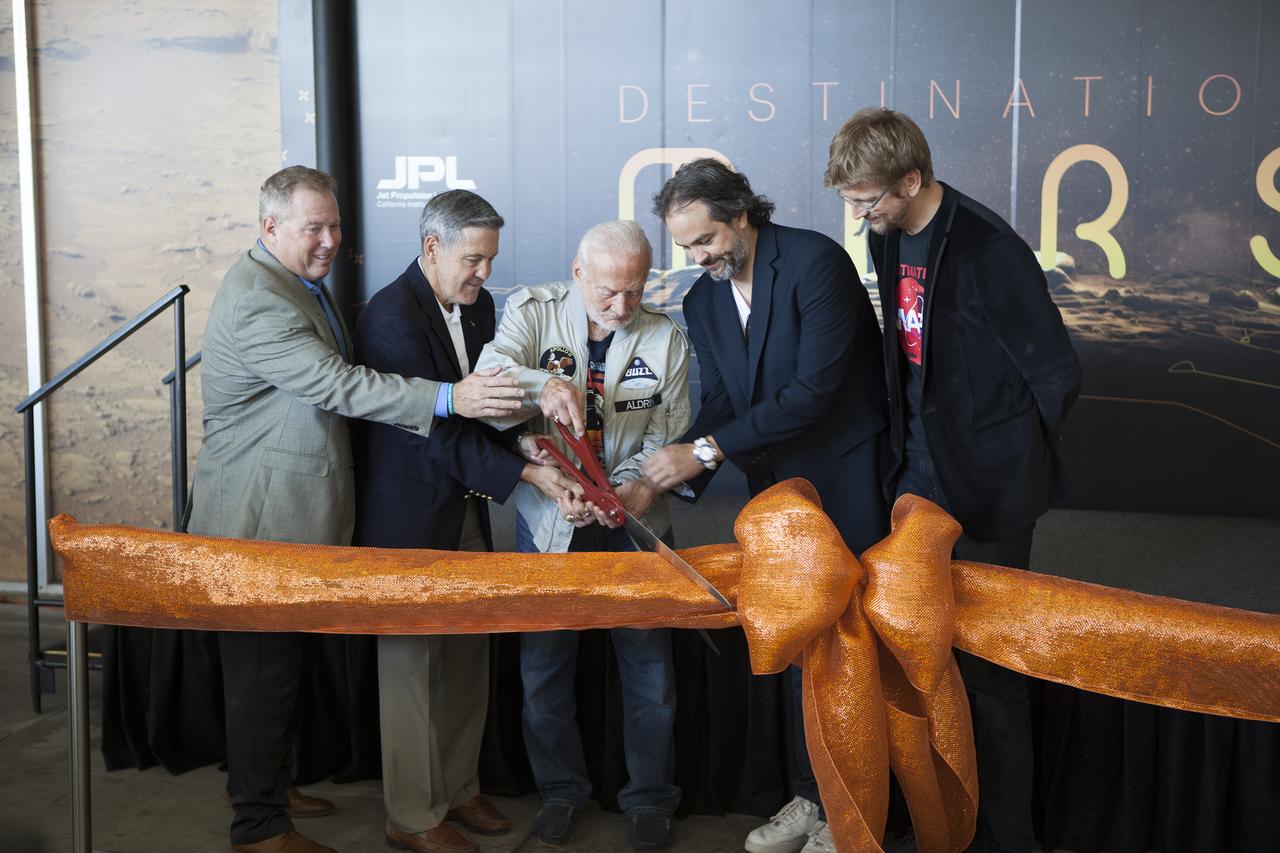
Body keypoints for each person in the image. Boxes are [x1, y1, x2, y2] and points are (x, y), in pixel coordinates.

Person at [187, 167, 525, 853]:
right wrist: (447, 399)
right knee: (261, 674)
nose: (330, 240)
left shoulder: (298, 286)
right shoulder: (260, 297)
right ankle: (257, 827)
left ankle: (268, 788)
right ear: (270, 226)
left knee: (282, 671)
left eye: (335, 225)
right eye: (314, 226)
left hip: (299, 517)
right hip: (257, 519)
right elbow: (333, 383)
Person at [824, 107, 1082, 853]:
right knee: (918, 656)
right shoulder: (888, 233)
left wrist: (1002, 454)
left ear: (913, 178)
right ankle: (937, 825)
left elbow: (1056, 375)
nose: (859, 215)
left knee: (993, 673)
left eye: (866, 199)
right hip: (914, 476)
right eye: (849, 201)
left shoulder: (988, 247)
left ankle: (1010, 837)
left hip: (992, 490)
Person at [644, 158, 890, 853]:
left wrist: (708, 450)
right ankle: (814, 797)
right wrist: (674, 468)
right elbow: (724, 403)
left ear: (742, 214)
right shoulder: (702, 300)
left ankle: (855, 817)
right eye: (687, 246)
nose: (698, 257)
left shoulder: (816, 263)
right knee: (801, 645)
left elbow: (812, 393)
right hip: (776, 496)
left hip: (847, 484)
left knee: (852, 647)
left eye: (706, 240)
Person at [350, 190, 578, 853]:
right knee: (413, 668)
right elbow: (433, 435)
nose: (484, 274)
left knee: (467, 655)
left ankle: (458, 787)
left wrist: (525, 444)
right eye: (473, 260)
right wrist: (531, 475)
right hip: (411, 514)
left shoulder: (474, 310)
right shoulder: (390, 318)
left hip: (466, 507)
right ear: (432, 249)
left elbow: (487, 407)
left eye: (489, 260)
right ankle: (413, 815)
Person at [473, 220, 691, 852]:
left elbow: (667, 437)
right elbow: (490, 378)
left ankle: (650, 800)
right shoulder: (530, 312)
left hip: (637, 521)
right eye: (606, 291)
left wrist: (621, 495)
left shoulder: (665, 337)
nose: (621, 306)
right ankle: (561, 792)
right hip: (550, 523)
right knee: (544, 670)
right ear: (577, 274)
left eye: (633, 290)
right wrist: (545, 387)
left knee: (649, 673)